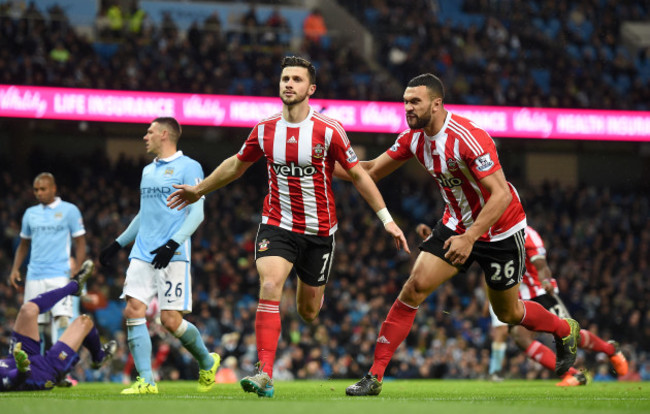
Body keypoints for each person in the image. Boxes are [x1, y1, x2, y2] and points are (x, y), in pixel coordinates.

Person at [166, 56, 410, 398]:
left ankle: (314, 294)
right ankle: (264, 373)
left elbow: (359, 175)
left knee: (308, 312)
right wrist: (199, 189)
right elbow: (236, 166)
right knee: (270, 284)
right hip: (277, 224)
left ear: (311, 89)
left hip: (320, 232)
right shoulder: (265, 129)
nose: (288, 84)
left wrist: (387, 220)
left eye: (296, 79)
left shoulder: (329, 129)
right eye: (284, 79)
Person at [341, 73, 581, 396]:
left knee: (507, 312)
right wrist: (319, 164)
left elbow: (501, 196)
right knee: (412, 289)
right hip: (455, 225)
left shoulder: (468, 137)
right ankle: (374, 376)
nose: (408, 108)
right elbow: (367, 172)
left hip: (501, 230)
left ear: (437, 104)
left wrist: (470, 238)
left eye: (415, 102)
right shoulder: (413, 139)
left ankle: (565, 329)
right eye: (405, 102)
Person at [98, 117, 220, 394]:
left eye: (149, 132)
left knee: (170, 321)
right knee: (133, 309)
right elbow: (144, 215)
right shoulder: (147, 171)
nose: (145, 136)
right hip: (142, 251)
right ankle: (146, 381)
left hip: (173, 254)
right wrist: (117, 244)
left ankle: (206, 360)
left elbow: (197, 213)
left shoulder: (190, 167)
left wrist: (172, 244)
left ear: (164, 134)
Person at [496, 225, 627, 386]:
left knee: (572, 336)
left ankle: (610, 349)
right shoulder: (492, 234)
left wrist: (546, 281)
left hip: (539, 293)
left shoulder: (528, 235)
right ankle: (573, 375)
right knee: (519, 336)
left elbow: (541, 265)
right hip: (518, 298)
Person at [0, 260, 117, 391]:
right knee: (84, 322)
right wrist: (22, 369)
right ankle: (98, 357)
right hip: (41, 372)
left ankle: (74, 286)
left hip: (18, 357)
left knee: (28, 309)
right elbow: (11, 382)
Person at [9, 172, 87, 349]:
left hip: (60, 274)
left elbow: (80, 241)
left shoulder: (69, 210)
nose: (39, 193)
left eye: (43, 189)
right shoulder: (30, 214)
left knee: (62, 321)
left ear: (53, 188)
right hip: (34, 275)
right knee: (35, 324)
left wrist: (78, 268)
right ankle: (40, 370)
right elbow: (23, 244)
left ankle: (61, 371)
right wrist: (15, 268)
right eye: (36, 190)